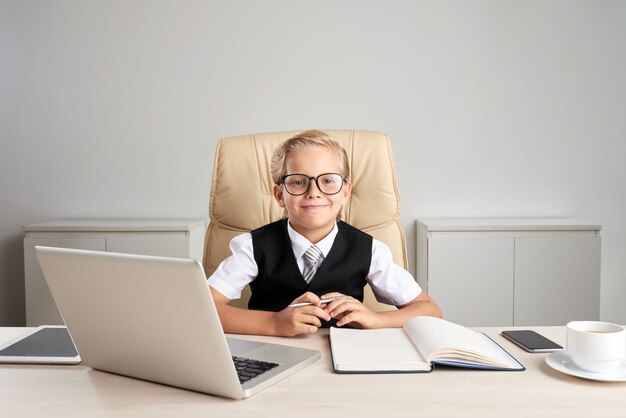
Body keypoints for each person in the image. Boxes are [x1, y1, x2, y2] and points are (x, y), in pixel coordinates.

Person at [208, 130, 441, 337]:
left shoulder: (370, 250)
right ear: (280, 196)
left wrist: (376, 319)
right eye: (298, 182)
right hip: (273, 355)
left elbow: (429, 311)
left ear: (345, 192)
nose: (314, 192)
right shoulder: (252, 246)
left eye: (328, 181)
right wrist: (274, 323)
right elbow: (203, 309)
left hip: (344, 361)